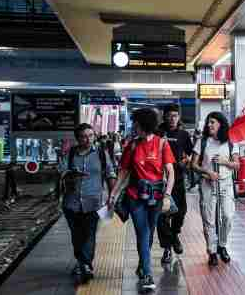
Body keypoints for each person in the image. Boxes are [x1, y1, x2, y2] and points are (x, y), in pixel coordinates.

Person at [109, 108, 175, 292]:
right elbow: (124, 173)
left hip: (157, 197)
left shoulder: (162, 144)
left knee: (149, 233)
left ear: (144, 125)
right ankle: (147, 274)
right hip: (135, 196)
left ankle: (141, 264)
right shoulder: (131, 145)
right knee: (143, 233)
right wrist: (113, 194)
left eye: (136, 124)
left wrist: (168, 195)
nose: (134, 127)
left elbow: (170, 172)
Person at [60, 123, 116, 282]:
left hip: (94, 202)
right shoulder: (70, 154)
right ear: (77, 138)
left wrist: (112, 196)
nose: (88, 139)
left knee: (89, 235)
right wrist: (70, 174)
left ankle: (85, 264)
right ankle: (81, 262)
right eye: (84, 136)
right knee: (76, 236)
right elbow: (61, 171)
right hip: (71, 203)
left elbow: (110, 174)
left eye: (91, 135)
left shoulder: (101, 153)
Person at [192, 112, 239, 266]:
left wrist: (225, 161)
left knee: (227, 216)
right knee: (209, 219)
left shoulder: (231, 141)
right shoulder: (202, 141)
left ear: (221, 124)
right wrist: (207, 172)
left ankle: (222, 245)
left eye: (212, 122)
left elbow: (237, 165)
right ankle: (212, 251)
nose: (209, 125)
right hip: (207, 184)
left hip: (226, 183)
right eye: (208, 122)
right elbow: (193, 165)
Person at [156, 104, 194, 264]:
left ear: (178, 117)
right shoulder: (157, 132)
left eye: (175, 116)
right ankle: (167, 248)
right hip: (159, 181)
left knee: (180, 212)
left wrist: (185, 162)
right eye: (169, 115)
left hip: (177, 180)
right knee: (162, 216)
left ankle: (175, 235)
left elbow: (190, 154)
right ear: (164, 116)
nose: (172, 119)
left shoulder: (184, 135)